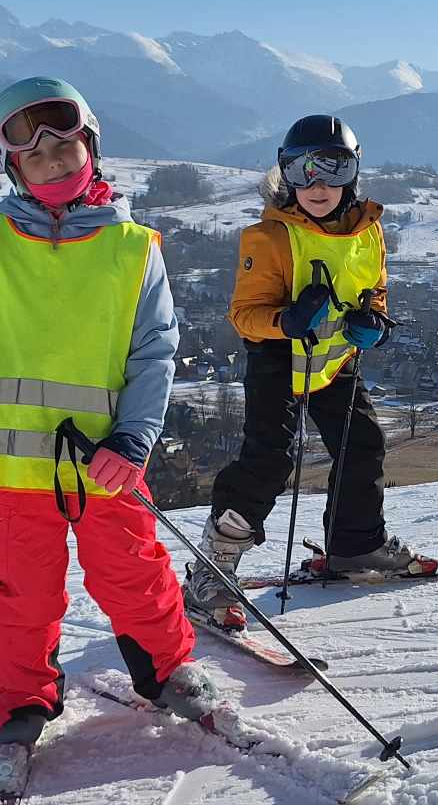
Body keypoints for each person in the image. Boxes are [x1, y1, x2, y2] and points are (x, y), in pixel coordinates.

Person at [0, 76, 211, 748]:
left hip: (105, 458)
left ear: (91, 146)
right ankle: (22, 699)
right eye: (33, 154)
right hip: (4, 463)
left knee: (133, 573)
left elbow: (154, 354)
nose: (52, 161)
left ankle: (170, 672)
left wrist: (136, 436)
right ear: (13, 166)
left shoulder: (133, 251)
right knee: (20, 597)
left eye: (65, 147)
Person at [180, 114, 420, 626]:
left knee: (364, 445)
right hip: (278, 359)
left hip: (335, 361)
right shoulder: (269, 237)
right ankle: (213, 567)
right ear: (284, 174)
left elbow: (375, 290)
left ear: (353, 174)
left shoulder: (369, 231)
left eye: (333, 168)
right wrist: (286, 320)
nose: (317, 184)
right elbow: (244, 316)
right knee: (268, 461)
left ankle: (356, 545)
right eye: (301, 169)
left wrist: (373, 321)